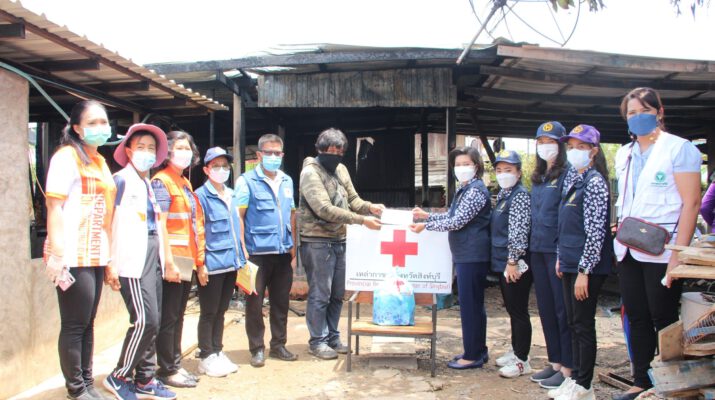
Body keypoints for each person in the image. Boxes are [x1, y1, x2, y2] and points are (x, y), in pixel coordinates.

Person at [611, 88, 702, 400]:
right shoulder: (624, 153)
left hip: (663, 249)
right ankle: (641, 382)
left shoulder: (679, 149)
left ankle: (669, 384)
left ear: (659, 112)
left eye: (644, 111)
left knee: (662, 316)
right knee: (636, 315)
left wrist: (679, 254)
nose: (638, 117)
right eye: (632, 113)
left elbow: (691, 203)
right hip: (628, 246)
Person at [45, 100, 116, 400]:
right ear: (77, 128)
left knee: (88, 323)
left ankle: (87, 383)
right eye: (93, 122)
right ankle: (75, 389)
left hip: (95, 252)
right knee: (75, 325)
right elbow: (54, 207)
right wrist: (58, 255)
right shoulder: (66, 157)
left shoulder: (98, 160)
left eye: (104, 122)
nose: (101, 127)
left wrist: (109, 257)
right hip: (73, 254)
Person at [104, 124, 177, 400]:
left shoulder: (148, 183)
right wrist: (110, 263)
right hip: (131, 258)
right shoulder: (120, 181)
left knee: (154, 320)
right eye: (140, 147)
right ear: (128, 151)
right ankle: (119, 375)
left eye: (151, 148)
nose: (146, 153)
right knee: (145, 320)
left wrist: (166, 260)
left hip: (151, 254)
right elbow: (108, 224)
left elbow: (157, 224)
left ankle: (145, 378)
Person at [298, 128, 384, 360]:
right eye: (331, 152)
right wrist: (361, 220)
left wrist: (370, 207)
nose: (336, 156)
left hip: (340, 239)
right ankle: (317, 341)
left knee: (337, 294)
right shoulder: (310, 173)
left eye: (340, 152)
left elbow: (353, 199)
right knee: (320, 294)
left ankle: (333, 337)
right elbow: (324, 209)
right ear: (320, 150)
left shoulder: (341, 169)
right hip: (317, 241)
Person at [410, 146, 491, 370]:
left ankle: (473, 355)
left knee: (470, 305)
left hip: (472, 255)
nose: (461, 168)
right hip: (466, 254)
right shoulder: (465, 189)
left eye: (466, 164)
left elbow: (457, 222)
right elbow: (452, 215)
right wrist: (428, 216)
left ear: (476, 166)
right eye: (458, 164)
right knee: (473, 304)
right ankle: (477, 350)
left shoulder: (475, 191)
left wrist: (425, 225)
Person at [550, 125, 613, 400]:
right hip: (569, 261)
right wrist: (560, 257)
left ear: (594, 151)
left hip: (586, 266)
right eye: (571, 147)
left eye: (581, 147)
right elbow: (565, 224)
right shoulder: (572, 180)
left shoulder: (595, 183)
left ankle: (585, 385)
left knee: (583, 324)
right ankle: (574, 378)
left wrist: (584, 271)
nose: (574, 152)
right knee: (573, 322)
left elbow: (596, 231)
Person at [236, 134, 298, 368]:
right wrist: (242, 249)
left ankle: (279, 345)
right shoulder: (246, 181)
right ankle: (257, 349)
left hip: (282, 253)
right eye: (269, 153)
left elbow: (292, 214)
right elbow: (239, 216)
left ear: (282, 155)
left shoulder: (286, 180)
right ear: (259, 155)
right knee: (254, 303)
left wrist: (293, 246)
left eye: (277, 153)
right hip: (256, 254)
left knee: (281, 302)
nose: (273, 157)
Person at [151, 131, 205, 388]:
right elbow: (160, 224)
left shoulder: (184, 182)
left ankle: (174, 363)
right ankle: (166, 369)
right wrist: (169, 261)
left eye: (188, 148)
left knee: (178, 315)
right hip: (172, 259)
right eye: (179, 148)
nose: (185, 153)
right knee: (169, 317)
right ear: (167, 152)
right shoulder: (162, 181)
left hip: (186, 258)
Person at [529, 122, 573, 390]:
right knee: (545, 309)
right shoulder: (538, 176)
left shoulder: (567, 174)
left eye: (551, 141)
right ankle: (555, 361)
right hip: (537, 249)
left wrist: (561, 252)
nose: (545, 146)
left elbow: (567, 217)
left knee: (561, 309)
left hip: (556, 250)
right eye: (541, 141)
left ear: (561, 144)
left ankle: (568, 366)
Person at [195, 147, 245, 377]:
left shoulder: (231, 194)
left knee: (222, 310)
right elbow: (198, 231)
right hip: (212, 263)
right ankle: (206, 355)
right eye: (216, 166)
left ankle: (217, 350)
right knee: (209, 311)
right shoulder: (200, 196)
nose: (222, 170)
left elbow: (236, 228)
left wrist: (241, 256)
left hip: (230, 262)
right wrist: (200, 264)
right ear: (206, 170)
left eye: (225, 166)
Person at [490, 150, 533, 378]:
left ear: (519, 172)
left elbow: (519, 231)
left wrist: (513, 260)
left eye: (508, 170)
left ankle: (522, 360)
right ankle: (516, 351)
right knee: (512, 308)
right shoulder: (504, 195)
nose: (503, 174)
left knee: (518, 310)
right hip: (503, 261)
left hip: (514, 263)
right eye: (499, 170)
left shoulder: (520, 196)